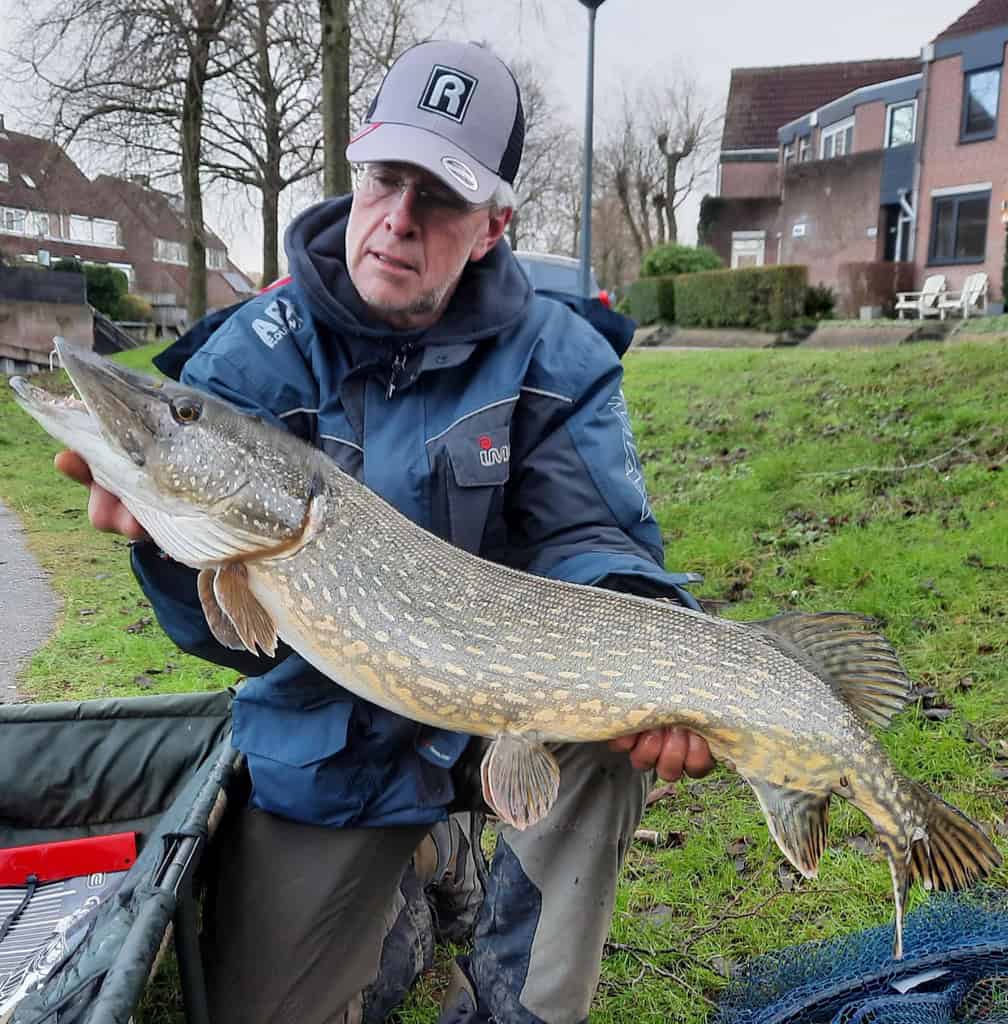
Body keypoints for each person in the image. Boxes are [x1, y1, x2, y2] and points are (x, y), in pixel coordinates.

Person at [56, 40, 714, 1024]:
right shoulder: (249, 362)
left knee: (617, 723)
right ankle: (426, 860)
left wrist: (647, 638)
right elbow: (226, 635)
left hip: (508, 706)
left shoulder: (556, 354)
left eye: (440, 195)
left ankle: (518, 1000)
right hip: (337, 746)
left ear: (494, 223)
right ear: (356, 174)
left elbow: (594, 539)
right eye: (385, 177)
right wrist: (167, 541)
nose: (398, 220)